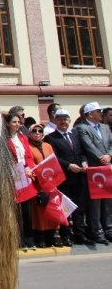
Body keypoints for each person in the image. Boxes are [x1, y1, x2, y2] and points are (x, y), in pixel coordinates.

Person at [44, 108, 89, 245]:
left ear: (69, 120)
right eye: (60, 119)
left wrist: (84, 161)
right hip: (64, 178)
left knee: (79, 207)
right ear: (55, 120)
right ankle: (66, 235)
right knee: (66, 208)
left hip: (79, 176)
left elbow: (81, 152)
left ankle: (80, 234)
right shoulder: (51, 138)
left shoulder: (75, 135)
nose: (63, 122)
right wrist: (69, 165)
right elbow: (54, 158)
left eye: (65, 119)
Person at [75, 101, 112, 244]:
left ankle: (109, 229)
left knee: (108, 200)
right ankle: (97, 232)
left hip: (107, 167)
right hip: (95, 170)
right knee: (95, 202)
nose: (101, 114)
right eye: (98, 111)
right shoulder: (82, 128)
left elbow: (110, 143)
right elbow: (88, 146)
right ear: (90, 114)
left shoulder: (105, 127)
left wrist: (109, 155)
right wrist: (102, 159)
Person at [5, 112, 36, 250]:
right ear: (7, 124)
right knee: (16, 211)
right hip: (13, 177)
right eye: (14, 122)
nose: (17, 124)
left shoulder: (23, 138)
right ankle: (19, 239)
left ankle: (29, 238)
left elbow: (28, 156)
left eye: (18, 122)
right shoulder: (4, 140)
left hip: (26, 176)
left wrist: (29, 168)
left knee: (27, 211)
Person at [26, 123, 60, 248]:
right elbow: (29, 163)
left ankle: (52, 236)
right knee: (39, 212)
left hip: (51, 183)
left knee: (52, 210)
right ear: (30, 133)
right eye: (34, 131)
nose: (37, 133)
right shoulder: (28, 147)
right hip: (38, 184)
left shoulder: (48, 146)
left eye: (40, 131)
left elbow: (54, 161)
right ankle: (40, 238)